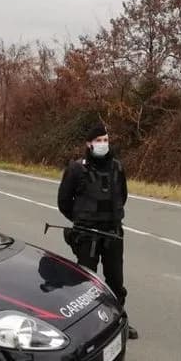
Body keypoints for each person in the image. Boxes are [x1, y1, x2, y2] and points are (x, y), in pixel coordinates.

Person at [57, 124, 138, 340]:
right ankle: (87, 328)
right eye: (99, 140)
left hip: (112, 234)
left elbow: (123, 195)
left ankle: (119, 320)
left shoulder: (117, 168)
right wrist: (81, 220)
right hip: (87, 235)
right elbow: (64, 201)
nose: (103, 144)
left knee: (115, 281)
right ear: (89, 144)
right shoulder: (76, 169)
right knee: (86, 284)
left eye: (106, 139)